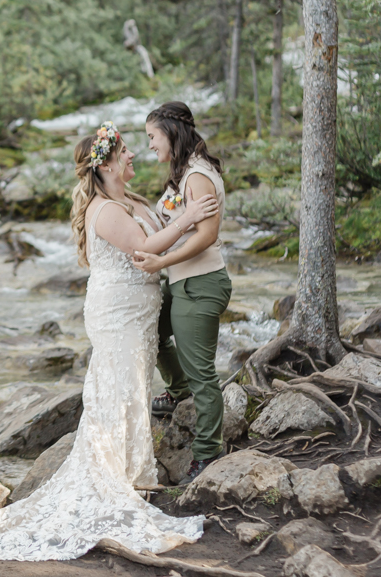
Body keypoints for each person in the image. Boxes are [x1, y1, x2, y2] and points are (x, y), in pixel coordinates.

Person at [0, 121, 215, 562]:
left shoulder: (127, 199)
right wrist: (189, 217)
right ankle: (119, 481)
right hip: (119, 314)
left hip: (136, 311)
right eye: (125, 151)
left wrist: (179, 210)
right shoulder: (106, 211)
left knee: (131, 391)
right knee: (119, 390)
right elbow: (146, 248)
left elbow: (156, 229)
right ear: (107, 164)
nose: (133, 155)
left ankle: (132, 475)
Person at [133, 101, 232, 485]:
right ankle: (177, 390)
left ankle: (209, 453)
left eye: (152, 137)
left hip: (200, 283)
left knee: (203, 375)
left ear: (171, 133)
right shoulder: (184, 173)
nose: (150, 145)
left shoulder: (197, 176)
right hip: (182, 282)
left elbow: (206, 236)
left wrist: (162, 261)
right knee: (151, 331)